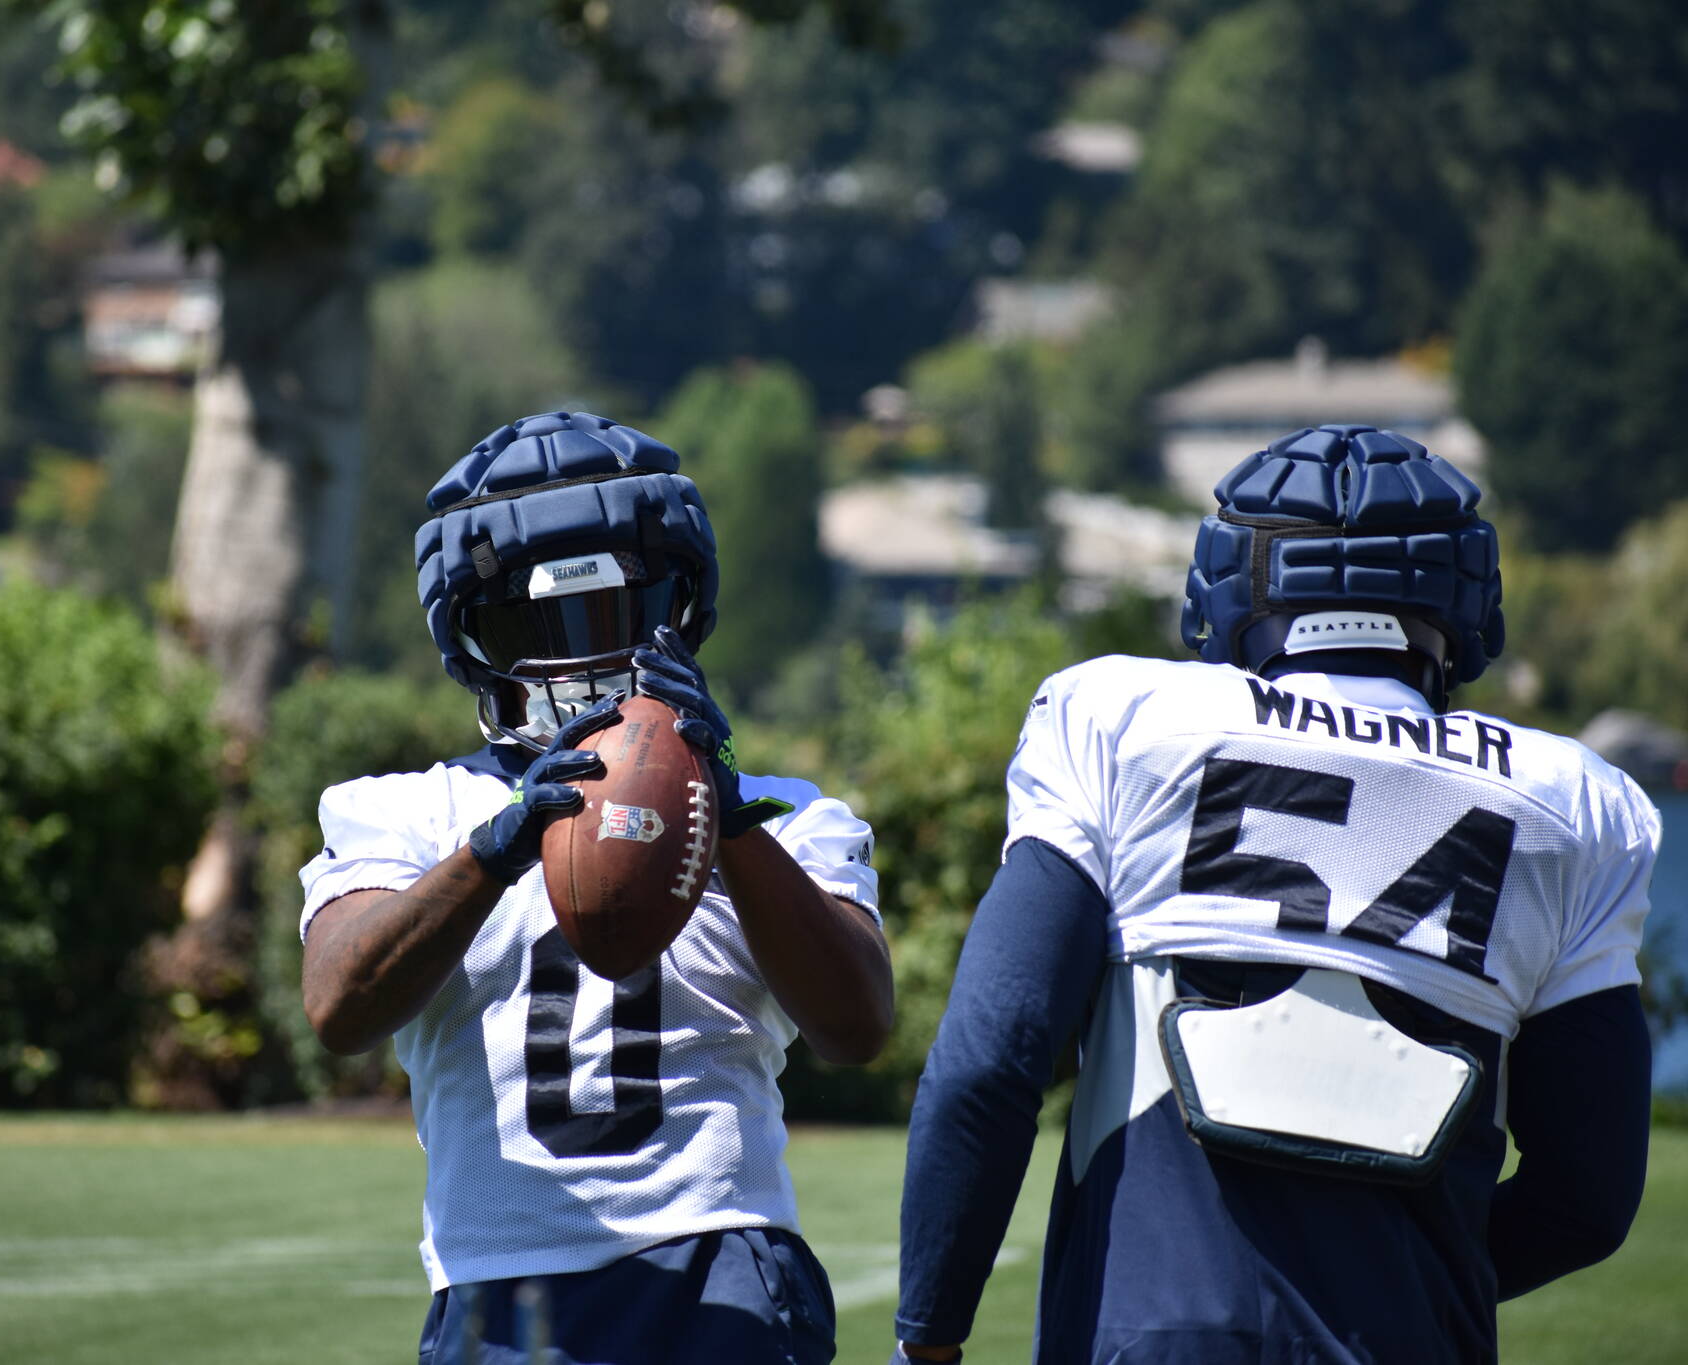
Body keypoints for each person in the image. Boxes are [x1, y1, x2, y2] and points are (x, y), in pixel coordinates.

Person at [893, 425, 1660, 1363]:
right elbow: (1589, 1194)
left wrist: (926, 1340)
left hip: (1149, 1328)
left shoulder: (1120, 720)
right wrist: (1412, 1286)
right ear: (1467, 599)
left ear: (1226, 583)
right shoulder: (1572, 803)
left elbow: (991, 1060)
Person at [299, 411, 893, 1365]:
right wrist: (493, 851)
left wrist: (725, 813)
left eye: (617, 614)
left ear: (679, 611)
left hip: (722, 1268)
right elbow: (338, 1007)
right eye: (532, 623)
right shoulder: (407, 814)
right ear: (469, 635)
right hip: (500, 1280)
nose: (577, 657)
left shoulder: (785, 815)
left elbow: (857, 1025)